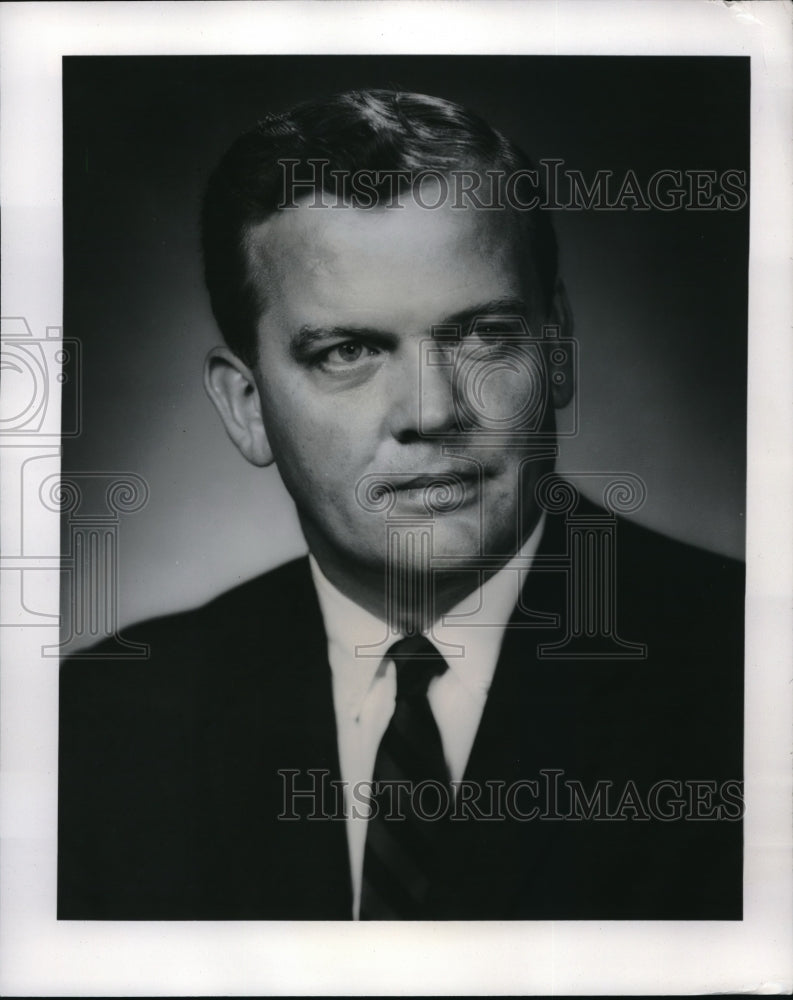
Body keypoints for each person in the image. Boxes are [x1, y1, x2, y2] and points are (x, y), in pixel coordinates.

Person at [58, 89, 744, 921]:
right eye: (347, 351)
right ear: (245, 405)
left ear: (555, 351)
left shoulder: (751, 676)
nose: (430, 412)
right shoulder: (96, 736)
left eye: (482, 334)